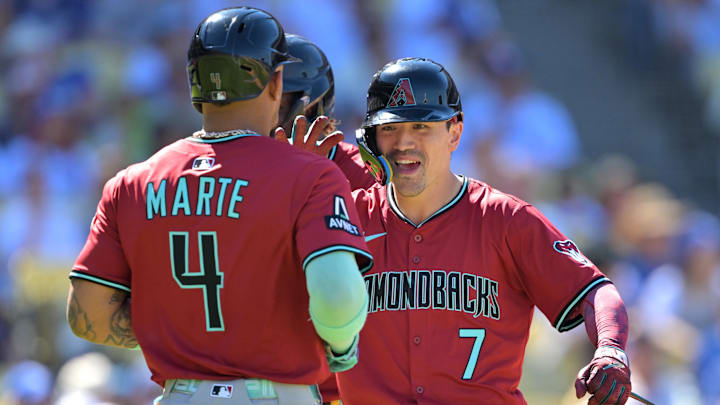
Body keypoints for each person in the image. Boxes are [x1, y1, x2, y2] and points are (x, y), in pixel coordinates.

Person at [65, 7, 372, 405]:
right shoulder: (310, 174)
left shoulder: (131, 183)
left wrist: (176, 327)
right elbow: (337, 302)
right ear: (276, 82)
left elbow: (86, 317)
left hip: (181, 396)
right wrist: (342, 347)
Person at [291, 57, 633, 404]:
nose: (404, 142)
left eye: (421, 127)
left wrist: (611, 348)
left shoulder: (504, 219)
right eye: (390, 128)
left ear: (455, 131)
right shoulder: (345, 216)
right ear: (371, 139)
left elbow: (597, 292)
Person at [277, 34, 375, 191]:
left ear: (310, 109)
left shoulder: (365, 177)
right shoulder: (243, 161)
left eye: (278, 106)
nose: (261, 115)